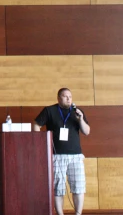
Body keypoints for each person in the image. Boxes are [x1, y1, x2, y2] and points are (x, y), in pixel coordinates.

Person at [33, 87, 90, 215]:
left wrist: (80, 119)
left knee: (79, 186)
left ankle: (78, 213)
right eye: (65, 96)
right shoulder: (49, 110)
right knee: (58, 188)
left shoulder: (77, 112)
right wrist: (40, 144)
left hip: (76, 156)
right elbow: (36, 125)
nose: (68, 98)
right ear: (58, 98)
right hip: (56, 155)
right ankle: (59, 213)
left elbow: (86, 131)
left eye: (70, 96)